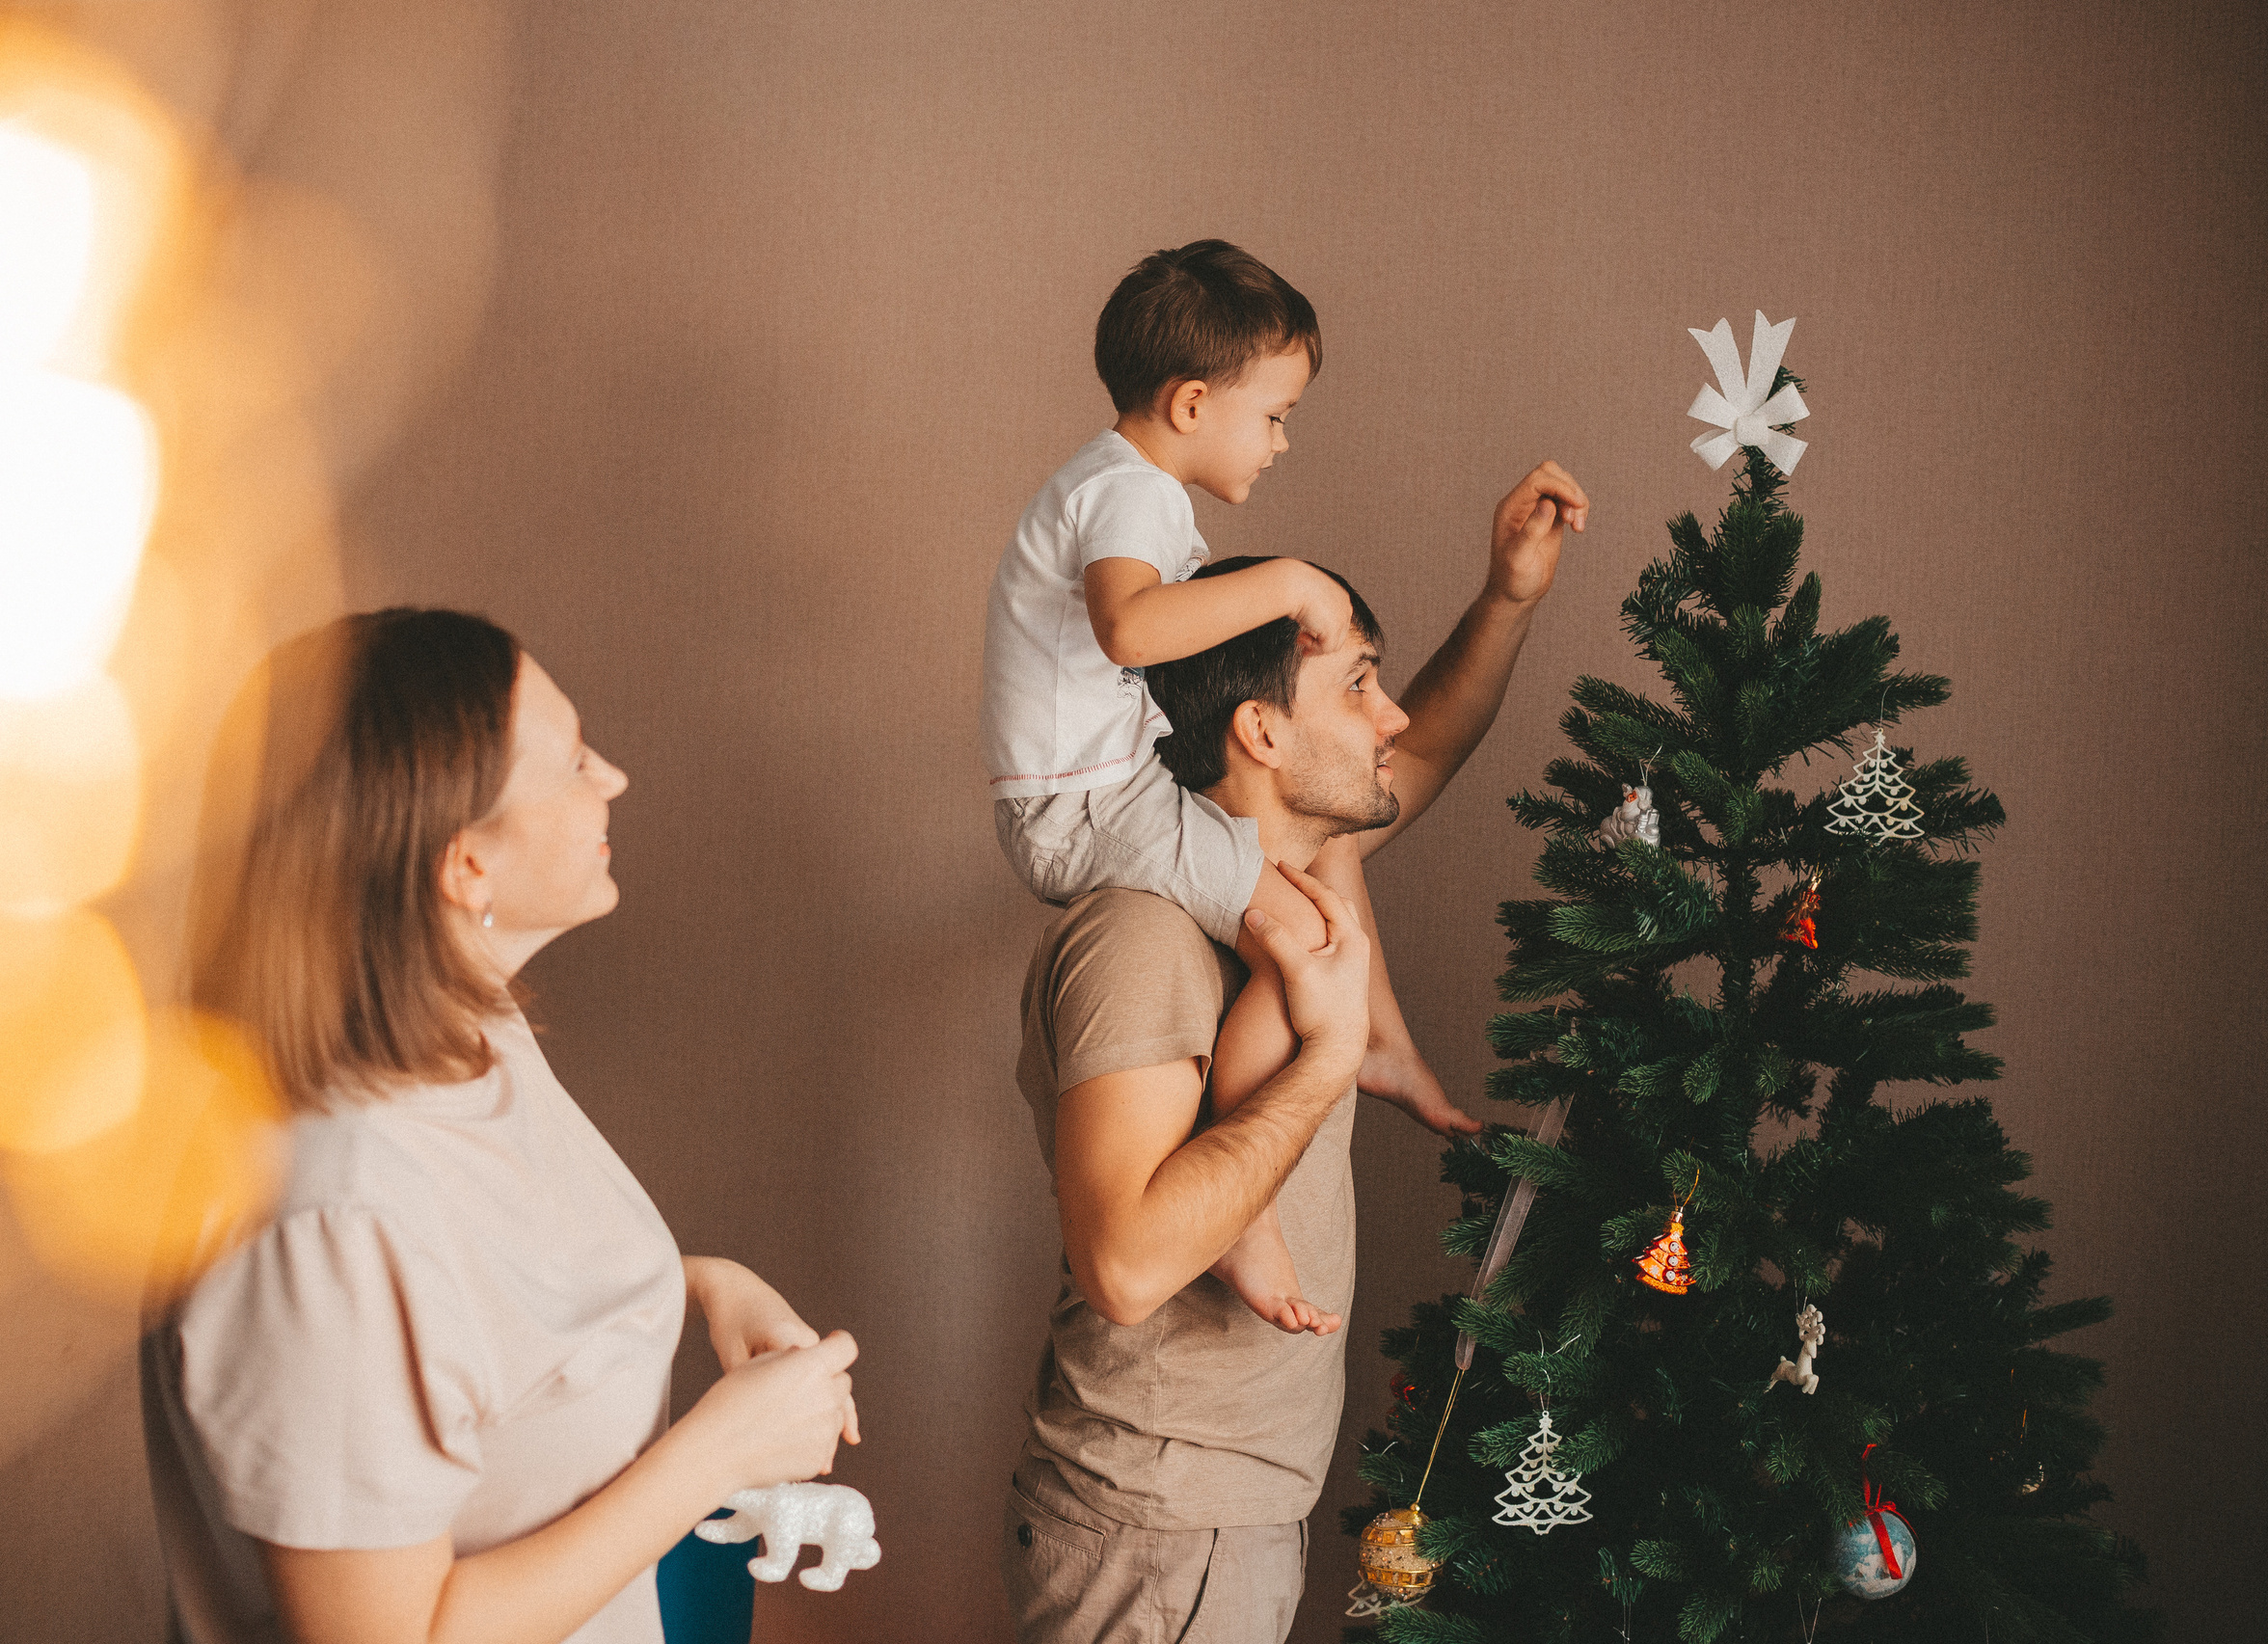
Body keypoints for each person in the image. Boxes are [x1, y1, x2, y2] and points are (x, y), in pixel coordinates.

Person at [144, 608, 861, 1644]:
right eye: (573, 760)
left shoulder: (472, 1029)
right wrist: (719, 1453)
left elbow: (478, 1309)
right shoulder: (326, 1221)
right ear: (466, 865)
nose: (611, 776)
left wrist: (702, 1284)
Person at [1001, 462, 1589, 1644]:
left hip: (1216, 1517)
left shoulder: (1298, 882)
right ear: (1260, 729)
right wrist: (1331, 1057)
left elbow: (1428, 746)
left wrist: (1506, 599)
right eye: (1359, 683)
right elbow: (1124, 1267)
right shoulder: (1142, 936)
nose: (1391, 717)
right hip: (1161, 1528)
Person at [983, 238, 1582, 1335]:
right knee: (1306, 936)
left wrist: (1508, 596)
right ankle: (1252, 1217)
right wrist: (1290, 581)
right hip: (1088, 802)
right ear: (1191, 402)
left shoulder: (1289, 822)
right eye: (1274, 415)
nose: (1282, 439)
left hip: (1097, 792)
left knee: (1318, 889)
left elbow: (1413, 757)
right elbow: (1129, 627)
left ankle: (1381, 1039)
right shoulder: (1129, 496)